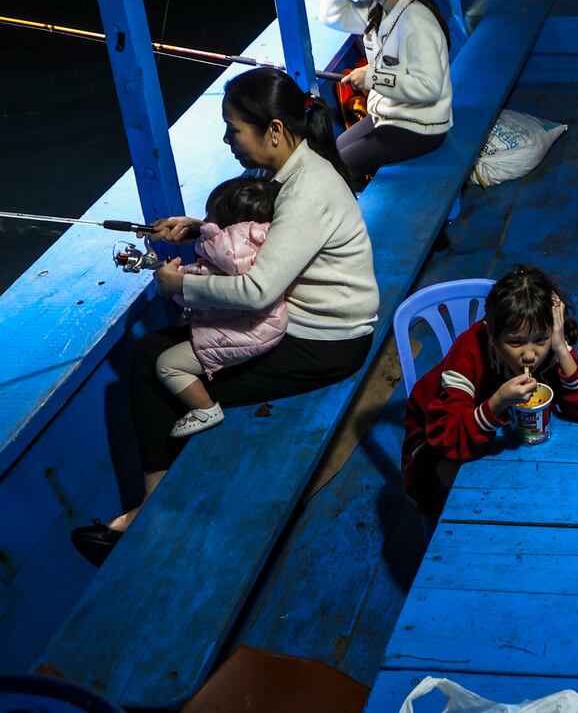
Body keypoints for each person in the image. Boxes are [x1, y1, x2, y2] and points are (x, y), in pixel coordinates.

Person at [70, 68, 379, 565]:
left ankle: (155, 518)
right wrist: (201, 230)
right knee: (155, 354)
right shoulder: (299, 171)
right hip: (301, 323)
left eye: (234, 128)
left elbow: (257, 290)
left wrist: (181, 284)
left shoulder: (307, 191)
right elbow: (264, 238)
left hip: (324, 341)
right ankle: (155, 505)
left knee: (155, 368)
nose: (227, 139)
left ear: (273, 131)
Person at [402, 266, 578, 517]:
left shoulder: (552, 345)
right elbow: (446, 437)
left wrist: (561, 348)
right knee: (483, 507)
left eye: (540, 341)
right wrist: (496, 403)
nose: (530, 354)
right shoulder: (469, 352)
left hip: (499, 439)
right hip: (434, 447)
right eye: (515, 343)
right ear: (491, 333)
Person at [160, 175, 288, 438]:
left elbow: (193, 293)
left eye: (211, 218)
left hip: (246, 335)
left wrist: (172, 282)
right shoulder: (267, 239)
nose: (208, 223)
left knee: (167, 364)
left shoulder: (223, 255)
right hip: (269, 326)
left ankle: (206, 410)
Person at [321, 0, 453, 190]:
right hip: (392, 116)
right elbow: (333, 17)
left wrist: (372, 77)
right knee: (331, 155)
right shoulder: (379, 9)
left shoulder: (416, 22)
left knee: (340, 169)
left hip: (421, 126)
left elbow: (429, 88)